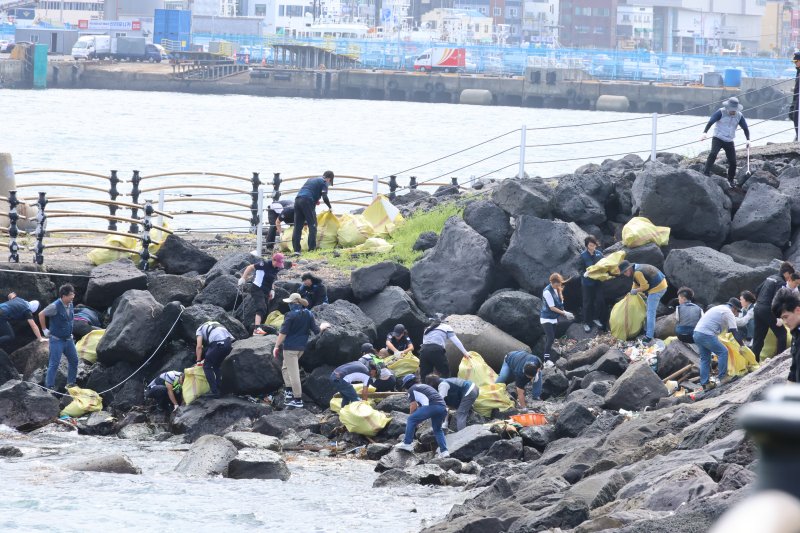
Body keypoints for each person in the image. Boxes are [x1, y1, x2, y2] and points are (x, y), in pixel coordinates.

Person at [273, 292, 326, 409]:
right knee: (285, 367)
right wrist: (323, 326)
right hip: (301, 348)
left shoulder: (290, 315)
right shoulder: (308, 313)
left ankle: (297, 399)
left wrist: (276, 346)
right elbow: (317, 331)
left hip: (290, 348)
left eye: (290, 303)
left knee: (294, 373)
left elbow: (283, 333)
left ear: (293, 303)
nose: (289, 305)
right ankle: (288, 390)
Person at [693, 297, 742, 391]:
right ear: (734, 308)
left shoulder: (718, 308)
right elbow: (734, 331)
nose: (737, 314)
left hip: (696, 333)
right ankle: (723, 377)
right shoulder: (728, 312)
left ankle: (705, 384)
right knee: (723, 352)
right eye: (738, 311)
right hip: (706, 334)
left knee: (705, 359)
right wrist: (742, 345)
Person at [395, 374, 449, 458]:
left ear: (407, 384)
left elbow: (413, 406)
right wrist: (418, 420)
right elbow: (421, 407)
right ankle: (444, 451)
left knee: (411, 419)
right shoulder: (424, 386)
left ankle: (407, 443)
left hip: (431, 406)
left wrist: (413, 419)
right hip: (442, 408)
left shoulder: (411, 389)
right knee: (438, 429)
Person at [701, 96, 751, 187]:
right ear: (727, 107)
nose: (733, 111)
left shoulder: (739, 115)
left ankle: (731, 180)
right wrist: (705, 133)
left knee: (733, 162)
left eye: (734, 110)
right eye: (731, 110)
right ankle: (706, 173)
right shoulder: (721, 112)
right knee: (713, 154)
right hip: (718, 138)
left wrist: (748, 140)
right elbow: (711, 122)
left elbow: (745, 128)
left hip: (729, 140)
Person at [752, 262, 795, 361]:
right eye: (790, 275)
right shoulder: (781, 282)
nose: (790, 278)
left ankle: (753, 363)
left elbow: (757, 290)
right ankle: (779, 360)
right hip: (767, 309)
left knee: (758, 339)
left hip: (758, 308)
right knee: (782, 334)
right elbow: (777, 300)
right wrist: (778, 318)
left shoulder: (770, 277)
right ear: (787, 273)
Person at [618, 260, 668, 344]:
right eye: (623, 273)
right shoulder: (636, 268)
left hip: (658, 288)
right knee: (646, 307)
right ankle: (646, 329)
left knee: (650, 312)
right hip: (660, 282)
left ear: (629, 268)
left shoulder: (637, 272)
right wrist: (632, 291)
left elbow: (645, 286)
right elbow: (636, 282)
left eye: (625, 272)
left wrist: (636, 291)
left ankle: (649, 336)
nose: (625, 274)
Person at [39, 284, 78, 391]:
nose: (72, 296)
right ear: (63, 296)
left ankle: (71, 383)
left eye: (73, 294)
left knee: (74, 360)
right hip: (56, 340)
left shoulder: (70, 304)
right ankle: (49, 386)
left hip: (68, 339)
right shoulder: (54, 306)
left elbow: (70, 320)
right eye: (70, 295)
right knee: (54, 363)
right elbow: (41, 314)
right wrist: (44, 330)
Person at [239, 251, 285, 335]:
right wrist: (243, 278)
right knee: (261, 307)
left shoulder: (276, 268)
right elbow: (250, 267)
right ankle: (256, 329)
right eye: (277, 263)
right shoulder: (264, 264)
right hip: (257, 288)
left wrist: (272, 290)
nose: (278, 266)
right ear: (273, 260)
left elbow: (272, 279)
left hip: (266, 290)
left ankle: (260, 327)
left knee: (266, 309)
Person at [292, 170, 334, 254]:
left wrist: (314, 200)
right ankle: (311, 250)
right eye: (330, 182)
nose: (329, 184)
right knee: (313, 225)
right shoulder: (324, 182)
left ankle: (296, 250)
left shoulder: (311, 179)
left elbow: (310, 190)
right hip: (307, 201)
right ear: (329, 179)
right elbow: (325, 197)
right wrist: (330, 207)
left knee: (297, 227)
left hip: (298, 200)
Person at [540, 273, 574, 366]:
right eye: (557, 284)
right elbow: (552, 307)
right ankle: (546, 361)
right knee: (550, 338)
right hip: (546, 318)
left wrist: (566, 313)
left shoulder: (558, 289)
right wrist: (564, 313)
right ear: (551, 282)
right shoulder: (547, 292)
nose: (558, 286)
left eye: (559, 284)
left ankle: (547, 358)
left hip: (554, 318)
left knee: (551, 338)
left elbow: (559, 305)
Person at [195, 321, 234, 398]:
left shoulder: (199, 329)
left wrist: (198, 361)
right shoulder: (215, 323)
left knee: (206, 366)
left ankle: (215, 392)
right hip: (228, 343)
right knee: (216, 365)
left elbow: (199, 346)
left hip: (218, 343)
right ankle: (220, 389)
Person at [771, 288, 800, 382]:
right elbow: (794, 370)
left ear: (798, 310)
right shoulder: (796, 335)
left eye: (786, 317)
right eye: (782, 319)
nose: (785, 322)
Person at [580, 236, 605, 333]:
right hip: (587, 283)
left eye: (594, 245)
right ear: (587, 246)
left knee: (600, 300)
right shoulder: (583, 256)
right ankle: (586, 322)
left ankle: (596, 318)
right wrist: (584, 274)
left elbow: (604, 264)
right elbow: (579, 269)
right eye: (591, 245)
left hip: (598, 281)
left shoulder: (599, 254)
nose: (593, 247)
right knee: (587, 303)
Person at [791, 51, 800, 142]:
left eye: (796, 61)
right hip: (797, 97)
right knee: (794, 116)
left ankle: (798, 136)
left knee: (797, 116)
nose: (795, 63)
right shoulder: (798, 71)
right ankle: (798, 135)